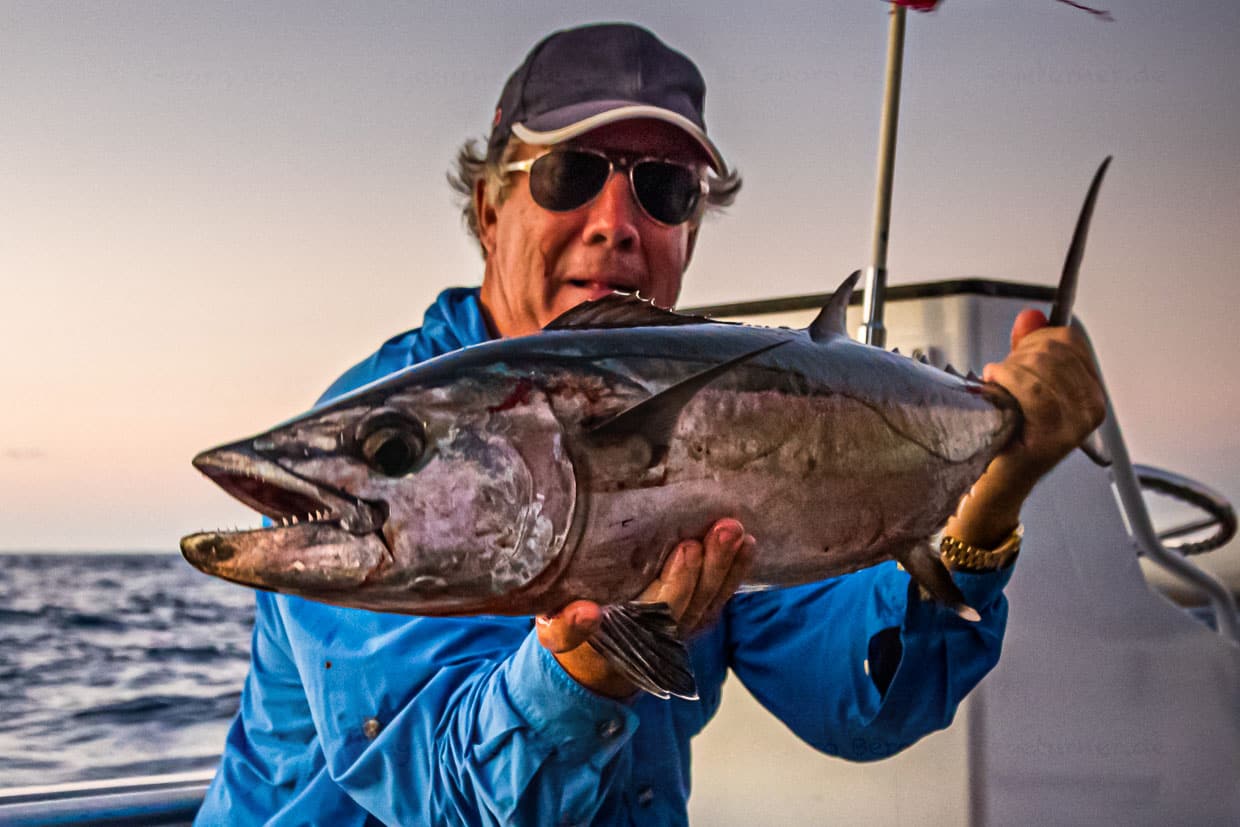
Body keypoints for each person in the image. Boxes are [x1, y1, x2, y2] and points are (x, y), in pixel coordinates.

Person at [196, 23, 1105, 826]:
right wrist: (588, 671)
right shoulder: (399, 426)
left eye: (664, 190)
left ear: (691, 233)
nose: (616, 223)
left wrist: (989, 500)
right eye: (570, 174)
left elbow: (856, 700)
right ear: (487, 209)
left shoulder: (734, 415)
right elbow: (445, 802)